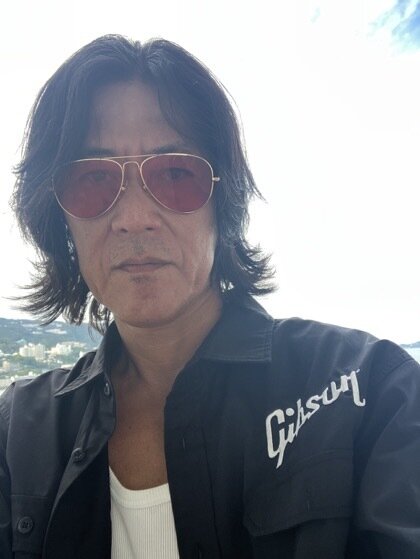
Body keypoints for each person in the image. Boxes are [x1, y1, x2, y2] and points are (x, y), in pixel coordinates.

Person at [0, 35, 419, 559]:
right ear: (60, 220)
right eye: (92, 180)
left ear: (225, 201)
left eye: (176, 174)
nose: (134, 219)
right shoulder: (17, 434)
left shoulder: (370, 391)